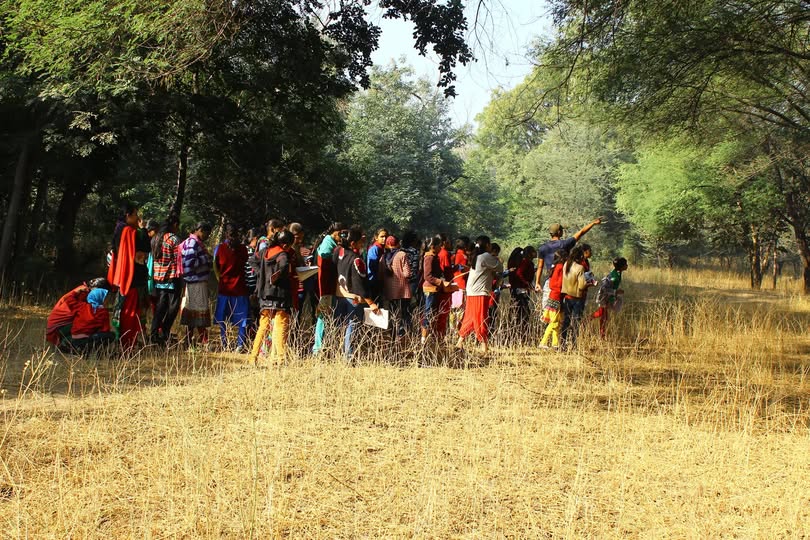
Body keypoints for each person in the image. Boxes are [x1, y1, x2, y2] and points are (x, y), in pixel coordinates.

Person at [107, 203, 151, 350]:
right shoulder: (129, 231)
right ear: (128, 215)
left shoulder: (118, 229)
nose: (138, 217)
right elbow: (145, 247)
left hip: (123, 276)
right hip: (132, 278)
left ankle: (122, 341)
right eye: (135, 214)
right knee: (131, 311)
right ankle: (128, 343)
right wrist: (143, 229)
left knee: (123, 309)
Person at [250, 230, 297, 365]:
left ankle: (253, 358)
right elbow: (283, 267)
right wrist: (278, 276)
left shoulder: (266, 251)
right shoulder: (282, 254)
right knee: (280, 326)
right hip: (280, 295)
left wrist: (262, 275)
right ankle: (280, 359)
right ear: (285, 244)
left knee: (263, 326)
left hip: (265, 294)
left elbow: (252, 260)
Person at [334, 227, 381, 361]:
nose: (362, 243)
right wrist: (371, 303)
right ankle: (349, 357)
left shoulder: (338, 253)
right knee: (352, 325)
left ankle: (337, 353)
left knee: (340, 325)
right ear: (353, 243)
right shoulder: (356, 260)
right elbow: (360, 284)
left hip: (340, 295)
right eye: (360, 241)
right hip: (354, 299)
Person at [456, 236, 504, 354]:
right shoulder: (486, 257)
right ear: (487, 245)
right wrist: (499, 260)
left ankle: (460, 341)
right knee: (481, 318)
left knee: (471, 317)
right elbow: (500, 267)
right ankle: (484, 345)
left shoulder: (476, 256)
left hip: (472, 291)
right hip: (480, 292)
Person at [535, 218, 602, 289]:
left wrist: (537, 282)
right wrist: (593, 223)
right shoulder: (565, 244)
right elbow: (581, 232)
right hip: (564, 280)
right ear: (559, 232)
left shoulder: (542, 248)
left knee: (549, 299)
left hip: (551, 280)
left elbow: (540, 267)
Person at [213, 224, 250, 351]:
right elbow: (245, 263)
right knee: (242, 318)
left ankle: (224, 342)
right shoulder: (243, 249)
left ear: (225, 234)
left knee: (223, 318)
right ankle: (240, 343)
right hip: (240, 288)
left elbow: (216, 266)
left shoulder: (219, 248)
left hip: (224, 288)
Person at [46, 278, 111, 349]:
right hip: (58, 329)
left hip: (56, 328)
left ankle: (69, 343)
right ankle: (67, 343)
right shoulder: (83, 293)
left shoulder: (81, 293)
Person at [312, 222, 345, 355]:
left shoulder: (331, 242)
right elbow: (325, 254)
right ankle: (318, 348)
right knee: (323, 316)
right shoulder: (328, 243)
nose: (342, 236)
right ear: (335, 232)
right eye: (341, 233)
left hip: (329, 286)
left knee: (325, 315)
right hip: (325, 286)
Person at [178, 222, 213, 350]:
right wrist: (207, 259)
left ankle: (189, 340)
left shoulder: (194, 242)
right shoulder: (193, 243)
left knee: (193, 312)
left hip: (195, 282)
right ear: (200, 230)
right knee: (198, 311)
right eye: (207, 233)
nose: (207, 236)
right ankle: (203, 341)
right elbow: (189, 262)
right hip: (195, 282)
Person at [150, 215, 182, 344]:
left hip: (159, 278)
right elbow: (178, 260)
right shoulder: (174, 239)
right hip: (172, 277)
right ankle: (164, 331)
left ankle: (153, 334)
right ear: (174, 224)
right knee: (173, 307)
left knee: (160, 307)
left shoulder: (156, 238)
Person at [560, 245, 596, 349]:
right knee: (576, 321)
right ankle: (574, 344)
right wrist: (590, 284)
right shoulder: (580, 267)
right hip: (577, 298)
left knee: (566, 321)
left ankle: (562, 343)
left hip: (567, 297)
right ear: (580, 256)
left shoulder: (566, 264)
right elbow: (581, 285)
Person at [421, 235, 454, 343]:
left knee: (432, 313)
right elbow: (428, 276)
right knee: (428, 313)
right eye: (439, 246)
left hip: (435, 289)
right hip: (430, 289)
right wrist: (441, 282)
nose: (441, 248)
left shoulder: (434, 256)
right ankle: (423, 338)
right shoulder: (429, 257)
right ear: (433, 246)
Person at [66, 287, 116, 352]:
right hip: (87, 340)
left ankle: (75, 347)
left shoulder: (81, 306)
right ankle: (93, 350)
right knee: (111, 335)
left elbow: (68, 300)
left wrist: (76, 292)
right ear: (101, 298)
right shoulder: (102, 312)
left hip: (75, 339)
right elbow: (105, 329)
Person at [382, 235, 413, 338]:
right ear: (398, 243)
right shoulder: (401, 254)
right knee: (405, 313)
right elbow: (407, 273)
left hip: (390, 289)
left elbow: (380, 272)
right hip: (403, 289)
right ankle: (404, 334)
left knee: (393, 313)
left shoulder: (384, 256)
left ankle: (392, 333)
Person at [593, 257, 629, 338]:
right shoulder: (615, 276)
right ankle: (599, 332)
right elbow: (605, 287)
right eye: (625, 264)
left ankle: (600, 332)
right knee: (603, 315)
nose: (627, 266)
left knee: (603, 315)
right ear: (621, 266)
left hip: (608, 297)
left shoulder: (617, 273)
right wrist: (615, 292)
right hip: (604, 297)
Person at [539, 249, 568, 349]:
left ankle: (555, 344)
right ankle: (543, 342)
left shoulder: (555, 267)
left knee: (556, 322)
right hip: (556, 297)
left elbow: (552, 283)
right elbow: (559, 283)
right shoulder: (560, 267)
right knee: (554, 322)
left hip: (553, 296)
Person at [366, 228, 388, 304]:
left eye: (386, 236)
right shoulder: (374, 248)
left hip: (379, 279)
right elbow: (373, 266)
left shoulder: (382, 249)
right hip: (373, 280)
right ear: (376, 237)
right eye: (382, 236)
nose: (384, 239)